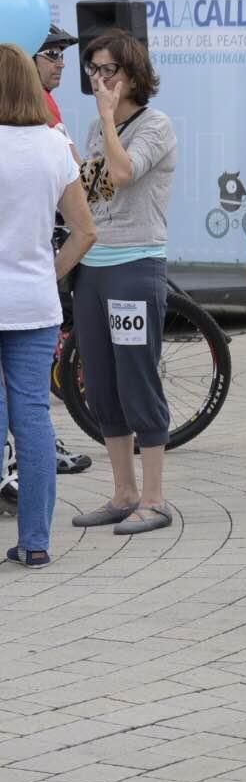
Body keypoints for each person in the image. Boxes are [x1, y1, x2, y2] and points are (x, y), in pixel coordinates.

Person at [68, 29, 179, 536]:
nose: (99, 79)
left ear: (131, 73)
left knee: (138, 375)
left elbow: (123, 171)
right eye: (93, 70)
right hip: (94, 265)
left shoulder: (156, 126)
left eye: (108, 69)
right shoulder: (96, 126)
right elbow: (96, 189)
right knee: (102, 382)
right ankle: (123, 491)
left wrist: (110, 120)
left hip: (135, 267)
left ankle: (154, 498)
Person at [0, 43, 97, 567]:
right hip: (35, 304)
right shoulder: (55, 144)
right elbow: (84, 231)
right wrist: (49, 272)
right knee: (33, 418)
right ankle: (35, 544)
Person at [31, 24, 94, 475]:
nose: (61, 62)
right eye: (51, 53)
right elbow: (79, 172)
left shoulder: (44, 101)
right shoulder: (37, 104)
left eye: (63, 54)